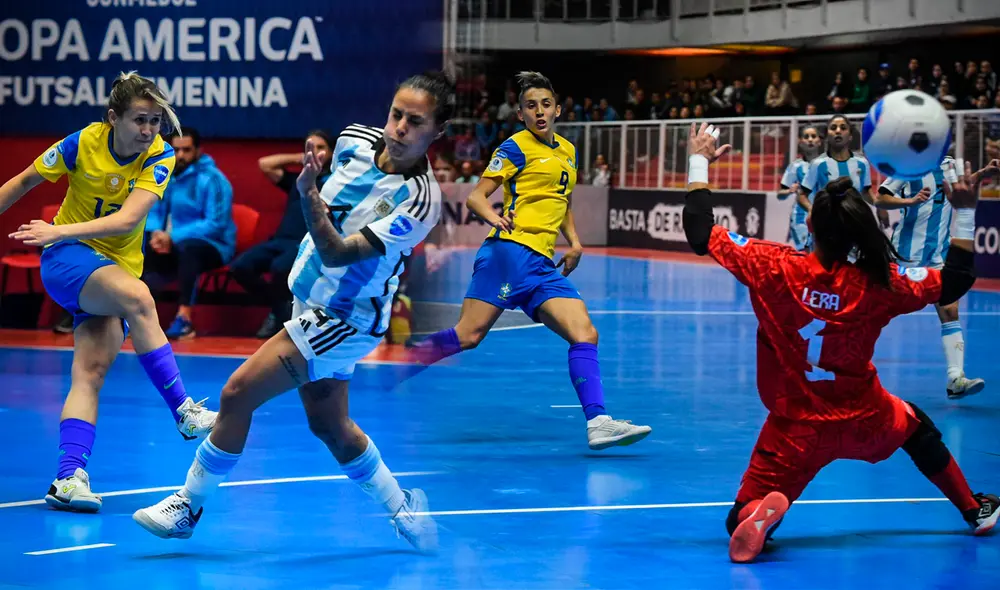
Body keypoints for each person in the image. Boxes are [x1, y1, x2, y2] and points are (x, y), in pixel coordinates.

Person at [132, 71, 454, 553]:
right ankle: (403, 507)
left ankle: (188, 505)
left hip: (343, 319)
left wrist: (306, 196)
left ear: (437, 133)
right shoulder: (352, 141)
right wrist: (312, 191)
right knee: (330, 426)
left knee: (237, 393)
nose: (400, 128)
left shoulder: (421, 201)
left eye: (416, 121)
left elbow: (340, 252)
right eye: (396, 114)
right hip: (309, 301)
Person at [681, 121, 1000, 564]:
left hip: (794, 427)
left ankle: (760, 512)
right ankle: (974, 510)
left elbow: (699, 233)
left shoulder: (773, 265)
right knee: (917, 428)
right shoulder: (881, 283)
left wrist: (699, 160)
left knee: (736, 521)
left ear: (809, 223)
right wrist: (965, 210)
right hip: (864, 415)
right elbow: (956, 281)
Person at [0, 71, 217, 512]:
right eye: (140, 119)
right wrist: (60, 235)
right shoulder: (82, 143)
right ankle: (184, 412)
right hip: (67, 259)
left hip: (108, 269)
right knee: (140, 298)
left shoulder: (159, 155)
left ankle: (68, 477)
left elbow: (126, 220)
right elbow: (23, 181)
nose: (149, 130)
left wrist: (57, 228)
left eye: (156, 120)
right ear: (112, 117)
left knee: (90, 373)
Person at [408, 71, 651, 451]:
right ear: (521, 114)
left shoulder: (567, 152)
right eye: (530, 106)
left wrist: (574, 241)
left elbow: (561, 200)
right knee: (468, 336)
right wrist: (493, 216)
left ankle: (599, 422)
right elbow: (477, 197)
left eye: (545, 104)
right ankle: (401, 362)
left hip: (543, 265)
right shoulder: (514, 147)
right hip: (509, 254)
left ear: (557, 108)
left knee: (585, 333)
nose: (539, 112)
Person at [875, 169, 985, 399]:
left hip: (938, 254)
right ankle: (845, 368)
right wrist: (909, 200)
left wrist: (984, 173)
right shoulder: (909, 165)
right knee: (879, 309)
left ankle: (956, 378)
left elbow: (959, 188)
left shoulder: (949, 164)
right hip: (906, 254)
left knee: (949, 309)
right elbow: (881, 197)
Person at [232, 130, 334, 339]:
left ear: (332, 153)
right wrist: (302, 158)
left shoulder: (334, 183)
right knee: (241, 267)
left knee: (279, 268)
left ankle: (279, 316)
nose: (315, 152)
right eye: (310, 147)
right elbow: (264, 164)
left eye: (321, 148)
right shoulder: (298, 180)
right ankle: (280, 310)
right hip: (279, 241)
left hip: (306, 244)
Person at [143, 127, 236, 340]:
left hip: (213, 246)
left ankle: (184, 319)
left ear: (198, 151)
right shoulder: (165, 175)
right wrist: (156, 233)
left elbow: (216, 223)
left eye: (186, 150)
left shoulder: (213, 180)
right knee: (140, 245)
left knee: (188, 250)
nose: (180, 156)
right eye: (176, 150)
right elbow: (154, 209)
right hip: (172, 242)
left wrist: (173, 237)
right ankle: (140, 317)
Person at [796, 115, 887, 249]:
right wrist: (811, 210)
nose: (838, 131)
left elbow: (865, 191)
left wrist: (880, 207)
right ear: (827, 135)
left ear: (850, 136)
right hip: (826, 226)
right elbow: (802, 194)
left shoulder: (862, 163)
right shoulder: (818, 164)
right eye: (833, 128)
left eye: (843, 128)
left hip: (854, 225)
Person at [778, 125, 821, 251]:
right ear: (800, 142)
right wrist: (789, 190)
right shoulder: (795, 166)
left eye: (813, 136)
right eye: (806, 137)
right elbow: (780, 194)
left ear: (819, 141)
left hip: (823, 216)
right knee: (805, 256)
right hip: (801, 218)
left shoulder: (827, 164)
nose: (810, 140)